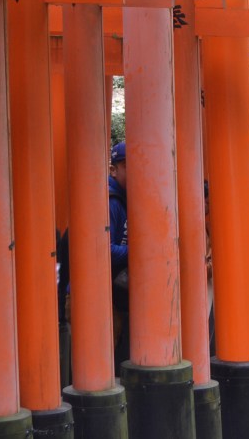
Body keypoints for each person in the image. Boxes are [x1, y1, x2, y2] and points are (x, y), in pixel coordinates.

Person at [109, 141, 130, 370]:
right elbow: (103, 250)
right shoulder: (110, 201)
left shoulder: (125, 199)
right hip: (101, 297)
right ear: (113, 170)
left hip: (116, 294)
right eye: (126, 166)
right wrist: (139, 250)